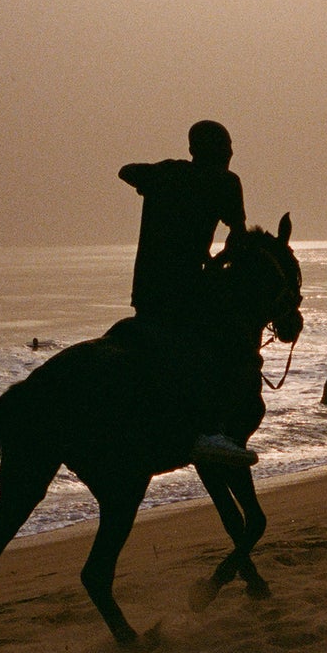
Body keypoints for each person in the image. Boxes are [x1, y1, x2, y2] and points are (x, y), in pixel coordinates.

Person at [118, 120, 258, 467]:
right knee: (221, 346)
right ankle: (210, 429)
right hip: (188, 287)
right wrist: (219, 262)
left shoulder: (166, 173)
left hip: (147, 290)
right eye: (226, 146)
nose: (230, 152)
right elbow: (238, 236)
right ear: (213, 150)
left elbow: (126, 171)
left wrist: (158, 176)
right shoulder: (226, 182)